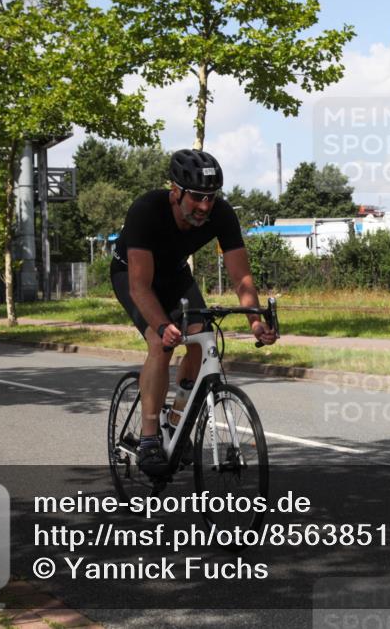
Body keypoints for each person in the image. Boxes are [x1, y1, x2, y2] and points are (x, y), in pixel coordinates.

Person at [111, 149, 277, 477]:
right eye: (197, 197)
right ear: (176, 193)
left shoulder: (222, 214)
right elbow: (140, 287)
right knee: (162, 344)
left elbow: (241, 277)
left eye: (210, 198)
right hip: (133, 274)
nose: (205, 206)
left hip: (174, 274)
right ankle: (148, 438)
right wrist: (161, 325)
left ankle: (176, 419)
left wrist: (255, 321)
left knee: (201, 337)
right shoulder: (147, 210)